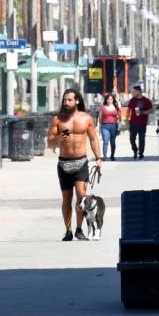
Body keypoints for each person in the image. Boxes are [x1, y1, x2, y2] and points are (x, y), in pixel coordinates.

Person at [47, 89, 103, 241]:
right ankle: (68, 230)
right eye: (64, 100)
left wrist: (99, 157)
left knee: (81, 197)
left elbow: (93, 139)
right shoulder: (57, 119)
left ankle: (79, 229)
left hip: (81, 162)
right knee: (66, 199)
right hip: (64, 163)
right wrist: (59, 138)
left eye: (69, 100)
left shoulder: (86, 118)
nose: (66, 103)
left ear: (77, 100)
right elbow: (49, 142)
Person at [126, 85, 154, 159]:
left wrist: (144, 112)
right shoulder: (132, 100)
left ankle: (141, 153)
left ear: (138, 91)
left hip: (142, 123)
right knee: (132, 139)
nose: (132, 92)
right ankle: (135, 150)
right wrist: (126, 120)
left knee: (141, 139)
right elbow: (128, 111)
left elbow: (151, 110)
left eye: (133, 91)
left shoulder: (146, 100)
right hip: (133, 123)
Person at [98, 93, 120, 161]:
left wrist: (119, 126)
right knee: (105, 141)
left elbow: (119, 117)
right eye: (108, 99)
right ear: (106, 100)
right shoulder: (103, 107)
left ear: (113, 100)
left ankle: (112, 155)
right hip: (105, 126)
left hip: (114, 126)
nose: (109, 100)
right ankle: (104, 156)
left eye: (111, 99)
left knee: (112, 142)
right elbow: (100, 117)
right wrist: (99, 126)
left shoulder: (116, 107)